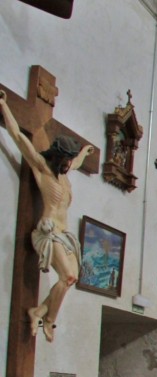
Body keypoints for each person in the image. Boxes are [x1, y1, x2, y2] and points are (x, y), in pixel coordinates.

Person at [0, 90, 94, 342]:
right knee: (69, 276)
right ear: (58, 156)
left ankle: (39, 310)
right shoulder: (42, 169)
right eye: (66, 160)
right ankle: (48, 320)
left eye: (70, 161)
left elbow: (75, 164)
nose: (68, 165)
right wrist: (3, 106)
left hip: (64, 235)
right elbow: (18, 137)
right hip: (47, 232)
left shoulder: (65, 175)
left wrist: (85, 153)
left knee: (71, 279)